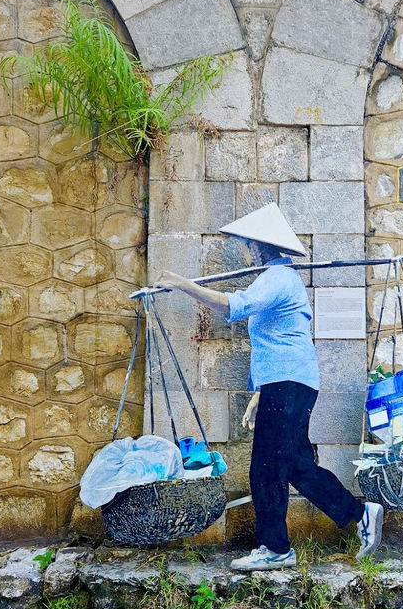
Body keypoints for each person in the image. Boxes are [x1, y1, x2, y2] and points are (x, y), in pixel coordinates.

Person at [154, 203, 383, 571]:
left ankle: (275, 548)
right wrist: (259, 393)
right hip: (287, 383)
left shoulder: (277, 278)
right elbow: (279, 342)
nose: (246, 249)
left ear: (260, 247)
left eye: (248, 243)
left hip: (289, 384)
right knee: (294, 464)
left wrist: (183, 285)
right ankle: (360, 513)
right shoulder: (278, 278)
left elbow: (236, 305)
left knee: (265, 467)